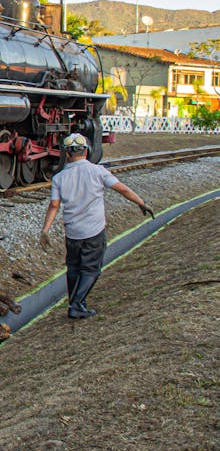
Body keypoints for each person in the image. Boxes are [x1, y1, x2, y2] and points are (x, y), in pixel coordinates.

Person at [39, 133, 155, 319]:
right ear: (86, 151)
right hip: (94, 230)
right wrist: (141, 203)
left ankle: (77, 302)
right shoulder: (98, 171)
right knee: (91, 269)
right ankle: (76, 305)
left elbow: (54, 205)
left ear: (67, 154)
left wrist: (45, 229)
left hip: (73, 232)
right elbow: (122, 189)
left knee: (74, 268)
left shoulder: (58, 178)